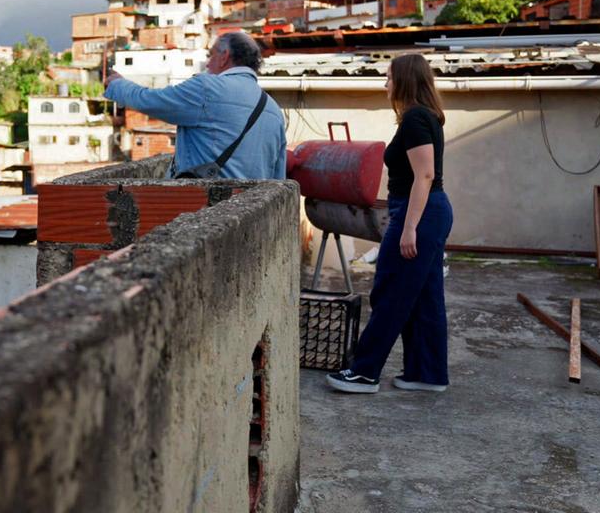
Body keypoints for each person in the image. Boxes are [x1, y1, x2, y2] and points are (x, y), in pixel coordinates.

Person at [327, 53, 453, 394]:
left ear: (405, 80)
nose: (385, 83)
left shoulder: (415, 119)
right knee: (425, 296)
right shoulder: (425, 117)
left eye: (389, 77)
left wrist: (410, 226)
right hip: (429, 210)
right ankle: (427, 374)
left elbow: (424, 175)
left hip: (420, 212)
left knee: (391, 291)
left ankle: (365, 372)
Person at [103, 32, 287, 179]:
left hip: (207, 211)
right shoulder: (273, 110)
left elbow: (151, 101)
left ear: (225, 57)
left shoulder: (207, 88)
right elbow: (278, 177)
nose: (207, 63)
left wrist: (118, 85)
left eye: (211, 54)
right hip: (254, 214)